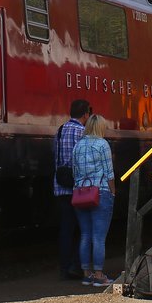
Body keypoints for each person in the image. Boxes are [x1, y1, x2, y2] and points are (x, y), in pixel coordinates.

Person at [72, 114, 117, 287]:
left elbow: (74, 172)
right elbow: (109, 172)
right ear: (100, 127)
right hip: (100, 192)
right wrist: (112, 192)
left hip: (80, 193)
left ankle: (86, 274)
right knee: (99, 237)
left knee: (85, 235)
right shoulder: (102, 144)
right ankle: (99, 275)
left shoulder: (78, 145)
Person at [53, 99, 90, 280]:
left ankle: (64, 268)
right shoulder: (83, 132)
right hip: (79, 188)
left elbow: (56, 157)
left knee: (66, 229)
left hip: (61, 186)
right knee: (82, 229)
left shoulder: (60, 131)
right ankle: (79, 266)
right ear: (85, 114)